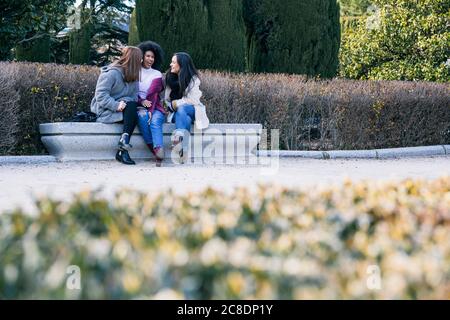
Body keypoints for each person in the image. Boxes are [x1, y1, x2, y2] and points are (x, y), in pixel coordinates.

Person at [90, 46, 142, 165]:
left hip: (125, 109)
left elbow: (134, 97)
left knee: (133, 106)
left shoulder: (133, 77)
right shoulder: (111, 73)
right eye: (140, 59)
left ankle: (123, 144)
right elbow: (100, 96)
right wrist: (116, 105)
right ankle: (123, 148)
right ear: (134, 60)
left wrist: (125, 101)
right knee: (132, 108)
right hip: (105, 110)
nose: (141, 62)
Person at [163, 52, 210, 162]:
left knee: (183, 109)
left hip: (193, 109)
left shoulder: (193, 79)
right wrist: (171, 105)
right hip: (176, 113)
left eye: (174, 62)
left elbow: (193, 100)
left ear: (182, 65)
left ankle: (178, 141)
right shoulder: (170, 78)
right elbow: (166, 100)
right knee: (186, 119)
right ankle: (182, 149)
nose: (171, 64)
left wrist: (175, 104)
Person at [136, 41, 165, 166]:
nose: (150, 59)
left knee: (154, 121)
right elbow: (131, 92)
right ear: (142, 56)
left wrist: (151, 111)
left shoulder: (156, 74)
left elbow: (153, 94)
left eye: (152, 57)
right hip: (139, 106)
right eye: (148, 56)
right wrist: (141, 102)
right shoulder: (134, 72)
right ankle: (156, 153)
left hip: (155, 107)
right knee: (142, 118)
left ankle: (159, 149)